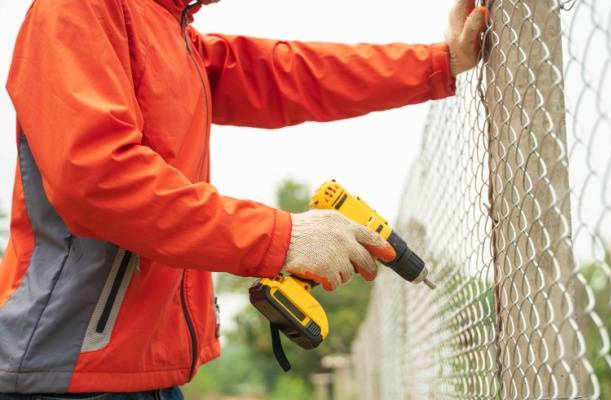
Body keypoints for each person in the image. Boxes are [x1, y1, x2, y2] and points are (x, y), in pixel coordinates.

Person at [0, 0, 487, 398]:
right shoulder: (80, 8)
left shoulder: (172, 34)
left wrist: (440, 62)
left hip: (145, 372)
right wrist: (282, 237)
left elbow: (291, 74)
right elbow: (99, 178)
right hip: (65, 371)